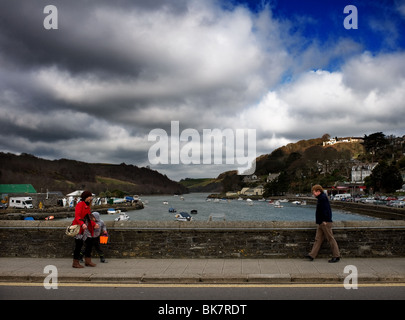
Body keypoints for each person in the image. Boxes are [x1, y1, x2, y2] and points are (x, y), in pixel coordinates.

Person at [305, 185, 341, 263]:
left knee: (330, 238)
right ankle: (312, 255)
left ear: (318, 191)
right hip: (321, 222)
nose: (313, 194)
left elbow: (326, 210)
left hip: (325, 222)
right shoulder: (321, 198)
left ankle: (336, 256)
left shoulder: (323, 198)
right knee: (318, 239)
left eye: (314, 192)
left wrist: (325, 220)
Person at [71, 190, 98, 268]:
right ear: (86, 197)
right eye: (90, 196)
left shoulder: (87, 206)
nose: (91, 198)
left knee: (89, 243)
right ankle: (75, 262)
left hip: (86, 228)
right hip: (80, 228)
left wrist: (94, 224)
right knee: (78, 245)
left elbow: (88, 218)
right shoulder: (80, 205)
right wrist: (82, 224)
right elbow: (77, 216)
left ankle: (88, 261)